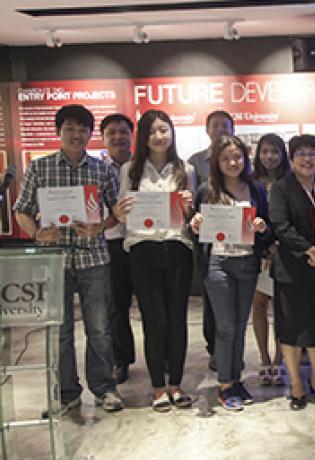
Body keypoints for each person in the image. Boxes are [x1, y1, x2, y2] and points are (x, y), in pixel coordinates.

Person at [14, 104, 123, 413]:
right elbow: (21, 210)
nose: (77, 135)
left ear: (91, 134)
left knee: (99, 329)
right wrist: (37, 233)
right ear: (58, 131)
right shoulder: (40, 168)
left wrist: (99, 226)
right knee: (60, 331)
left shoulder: (101, 169)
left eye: (83, 129)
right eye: (70, 129)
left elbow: (116, 214)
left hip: (94, 259)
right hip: (55, 260)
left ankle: (104, 388)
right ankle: (67, 393)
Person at [113, 109, 196, 412]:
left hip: (176, 248)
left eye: (165, 130)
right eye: (152, 131)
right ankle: (158, 388)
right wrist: (120, 211)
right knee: (154, 321)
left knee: (177, 319)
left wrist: (188, 208)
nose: (160, 136)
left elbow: (191, 218)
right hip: (143, 249)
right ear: (143, 137)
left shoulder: (184, 169)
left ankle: (176, 383)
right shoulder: (130, 170)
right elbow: (122, 213)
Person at [190, 135, 274, 410]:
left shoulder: (255, 189)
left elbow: (267, 229)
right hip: (218, 263)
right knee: (225, 327)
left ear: (245, 158)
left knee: (239, 325)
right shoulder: (206, 190)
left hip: (247, 263)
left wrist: (262, 227)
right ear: (216, 161)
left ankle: (236, 379)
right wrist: (196, 224)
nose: (232, 163)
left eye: (237, 157)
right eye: (225, 158)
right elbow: (195, 232)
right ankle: (225, 384)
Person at [269, 134, 315, 410]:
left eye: (313, 153)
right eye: (301, 153)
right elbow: (281, 226)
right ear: (292, 158)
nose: (307, 158)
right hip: (292, 270)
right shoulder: (281, 189)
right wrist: (309, 250)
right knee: (291, 328)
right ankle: (296, 385)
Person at [188, 110, 235, 371]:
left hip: (236, 241)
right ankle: (214, 349)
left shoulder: (238, 160)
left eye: (225, 126)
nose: (220, 130)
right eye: (215, 126)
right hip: (208, 242)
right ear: (207, 130)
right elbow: (192, 202)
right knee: (212, 299)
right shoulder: (195, 163)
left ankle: (230, 349)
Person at [249, 133, 290, 386]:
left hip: (284, 252)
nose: (270, 156)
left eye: (275, 151)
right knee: (259, 305)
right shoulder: (250, 182)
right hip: (258, 253)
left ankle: (279, 358)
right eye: (265, 151)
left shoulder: (290, 181)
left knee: (282, 308)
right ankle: (264, 358)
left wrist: (278, 245)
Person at [100, 113, 136, 384]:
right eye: (111, 132)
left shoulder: (142, 166)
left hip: (142, 242)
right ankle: (121, 360)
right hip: (112, 243)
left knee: (153, 305)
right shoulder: (97, 169)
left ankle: (165, 358)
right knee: (116, 306)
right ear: (103, 137)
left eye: (123, 132)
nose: (118, 137)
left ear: (131, 135)